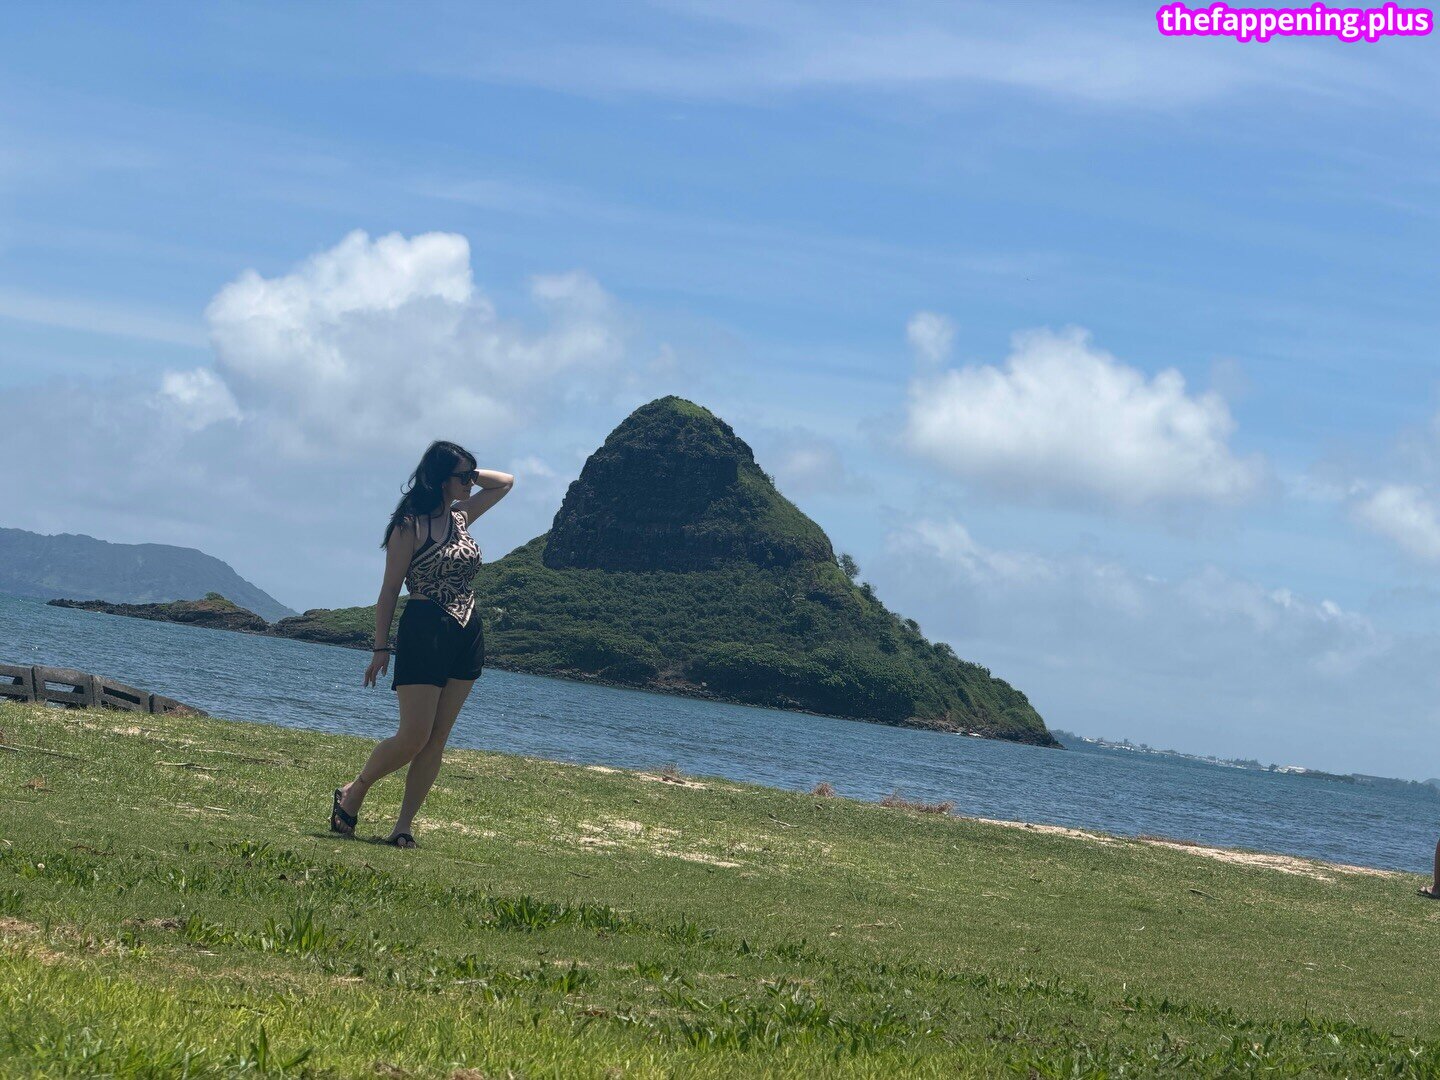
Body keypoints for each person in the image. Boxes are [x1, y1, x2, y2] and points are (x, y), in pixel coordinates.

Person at [328, 440, 514, 848]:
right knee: (414, 735)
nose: (470, 483)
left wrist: (470, 474)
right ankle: (355, 790)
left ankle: (403, 826)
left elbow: (505, 482)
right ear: (439, 478)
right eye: (462, 476)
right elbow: (389, 589)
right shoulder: (409, 525)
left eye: (471, 476)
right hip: (424, 627)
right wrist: (380, 648)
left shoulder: (461, 515)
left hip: (467, 629)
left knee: (438, 738)